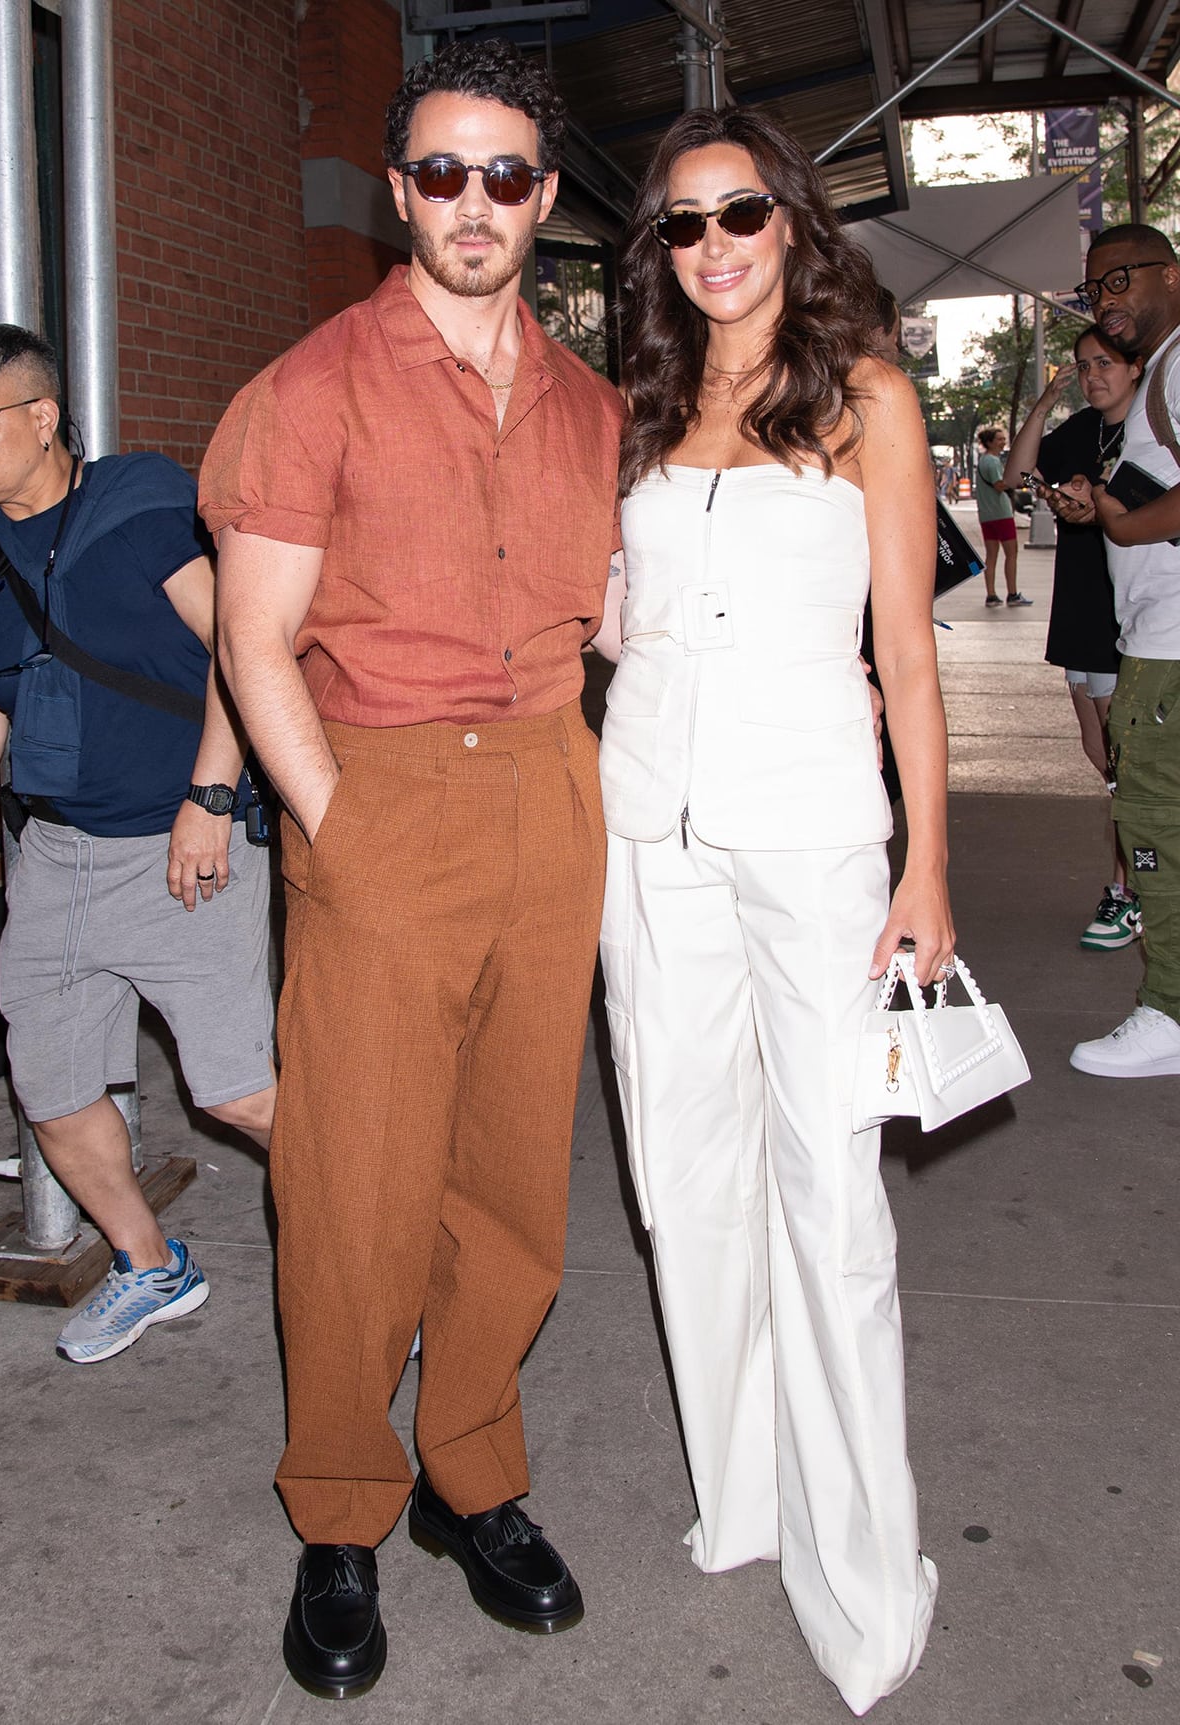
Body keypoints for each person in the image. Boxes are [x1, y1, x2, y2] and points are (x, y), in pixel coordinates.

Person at [199, 38, 623, 1700]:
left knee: (513, 1183)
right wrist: (341, 832)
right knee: (357, 1195)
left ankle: (474, 1475)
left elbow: (625, 629)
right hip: (380, 800)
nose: (472, 202)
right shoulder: (313, 387)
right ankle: (343, 1514)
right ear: (398, 192)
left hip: (548, 797)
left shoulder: (596, 409)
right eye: (439, 172)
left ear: (541, 195)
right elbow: (256, 640)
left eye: (504, 174)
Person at [590, 108, 954, 1716]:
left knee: (832, 1194)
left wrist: (929, 869)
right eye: (684, 222)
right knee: (686, 1172)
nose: (716, 243)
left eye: (741, 211)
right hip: (646, 828)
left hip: (814, 836)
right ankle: (742, 1498)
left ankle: (865, 1568)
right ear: (658, 252)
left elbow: (911, 653)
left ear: (794, 222)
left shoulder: (869, 394)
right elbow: (613, 614)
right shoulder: (643, 408)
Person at [0, 324, 276, 1362]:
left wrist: (211, 792)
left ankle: (390, 1260)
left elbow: (241, 648)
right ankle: (153, 1266)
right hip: (52, 859)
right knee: (52, 1084)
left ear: (42, 418)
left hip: (178, 848)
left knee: (240, 1091)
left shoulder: (137, 505)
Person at [1064, 225, 1180, 1078]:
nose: (1107, 302)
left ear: (1169, 275)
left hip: (1170, 646)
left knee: (1155, 827)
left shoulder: (1175, 366)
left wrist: (1123, 519)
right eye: (1095, 289)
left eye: (1120, 280)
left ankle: (1171, 1012)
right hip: (1158, 637)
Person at [1005, 327, 1144, 950]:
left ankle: (1128, 890)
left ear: (1136, 368)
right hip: (1081, 608)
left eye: (1105, 364)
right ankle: (1137, 879)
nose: (1093, 376)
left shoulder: (1149, 432)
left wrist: (1103, 499)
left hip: (1129, 614)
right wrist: (1044, 402)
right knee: (1102, 757)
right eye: (1084, 366)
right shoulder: (1084, 429)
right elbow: (1016, 473)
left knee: (1128, 765)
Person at [975, 426, 1031, 606]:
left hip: (986, 514)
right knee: (1011, 553)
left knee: (991, 555)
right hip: (1001, 513)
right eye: (999, 439)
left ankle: (991, 595)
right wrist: (1015, 482)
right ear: (990, 442)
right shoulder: (992, 462)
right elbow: (999, 485)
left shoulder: (983, 461)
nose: (1003, 442)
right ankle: (1012, 594)